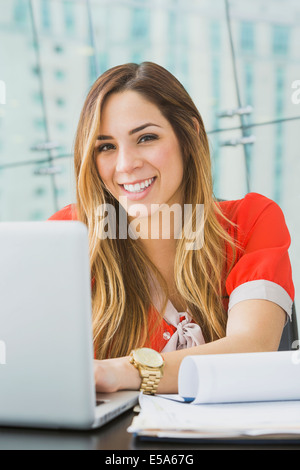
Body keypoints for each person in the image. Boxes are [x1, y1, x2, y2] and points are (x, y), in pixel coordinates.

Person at [49, 62, 294, 395]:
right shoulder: (70, 234)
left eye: (146, 138)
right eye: (106, 146)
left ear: (189, 133)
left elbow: (253, 346)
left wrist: (122, 370)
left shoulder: (248, 221)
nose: (126, 165)